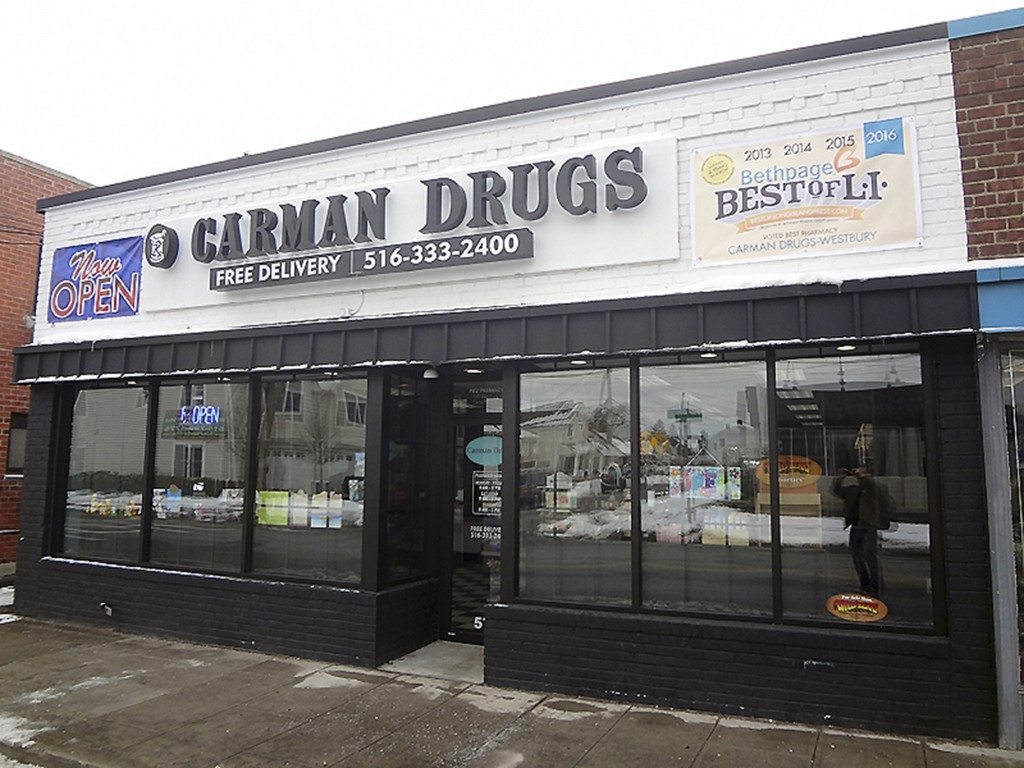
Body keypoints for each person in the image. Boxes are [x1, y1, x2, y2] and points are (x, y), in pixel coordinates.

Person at [831, 466, 889, 595]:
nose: (859, 475)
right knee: (857, 555)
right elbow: (837, 491)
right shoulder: (855, 489)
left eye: (862, 472)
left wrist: (860, 477)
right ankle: (865, 584)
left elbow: (872, 487)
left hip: (869, 525)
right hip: (857, 524)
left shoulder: (874, 487)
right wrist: (841, 478)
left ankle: (875, 586)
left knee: (870, 556)